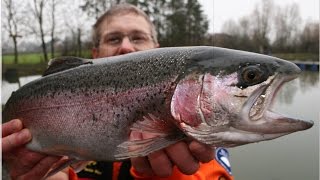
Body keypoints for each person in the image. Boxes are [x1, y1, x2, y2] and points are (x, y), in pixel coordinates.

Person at [2, 3, 233, 180]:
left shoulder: (200, 121)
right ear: (94, 54)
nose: (125, 46)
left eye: (138, 37)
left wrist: (172, 176)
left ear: (157, 49)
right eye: (113, 38)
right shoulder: (56, 144)